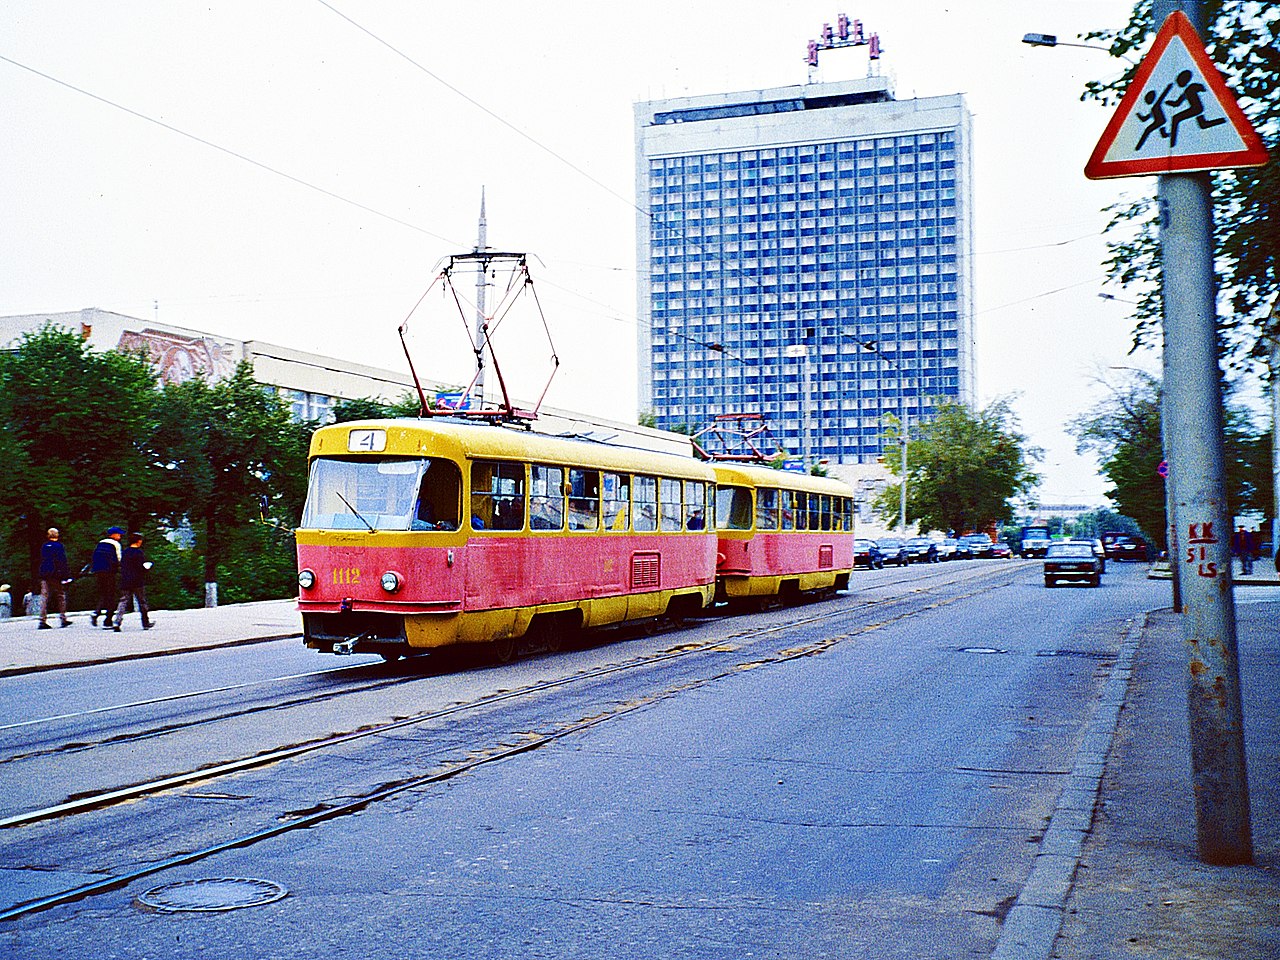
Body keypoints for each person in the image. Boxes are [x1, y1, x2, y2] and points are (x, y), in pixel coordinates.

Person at [113, 533, 154, 631]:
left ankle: (117, 621)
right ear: (139, 541)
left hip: (126, 579)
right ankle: (145, 622)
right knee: (142, 602)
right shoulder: (139, 553)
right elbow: (140, 567)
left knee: (123, 601)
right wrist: (146, 568)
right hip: (137, 580)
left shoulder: (125, 552)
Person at [90, 526, 125, 628]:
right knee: (111, 595)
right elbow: (119, 559)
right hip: (109, 571)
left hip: (98, 571)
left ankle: (96, 612)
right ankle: (107, 620)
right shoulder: (116, 544)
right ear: (113, 535)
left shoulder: (100, 544)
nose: (120, 536)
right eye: (118, 534)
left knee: (104, 593)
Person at [37, 527, 71, 629]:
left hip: (44, 574)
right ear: (57, 535)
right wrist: (66, 575)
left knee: (44, 596)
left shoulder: (44, 546)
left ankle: (42, 620)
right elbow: (62, 561)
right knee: (60, 596)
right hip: (56, 574)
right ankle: (63, 618)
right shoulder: (58, 546)